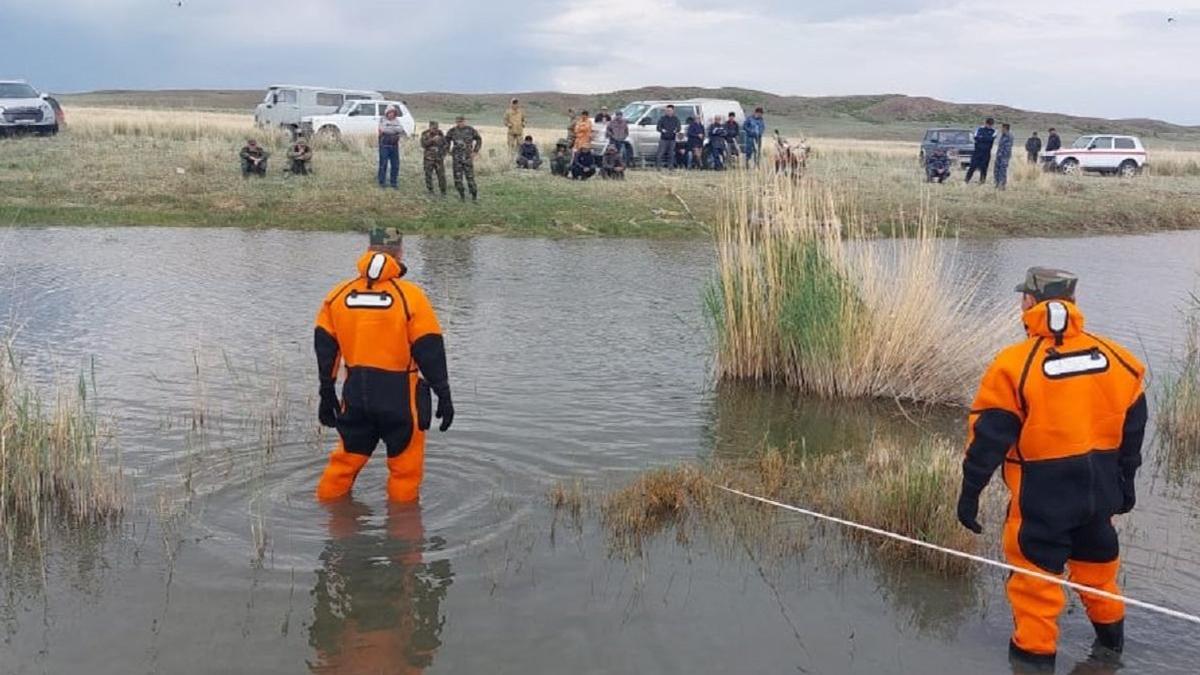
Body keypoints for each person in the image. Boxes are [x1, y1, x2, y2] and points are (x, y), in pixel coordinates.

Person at [956, 267, 1146, 672]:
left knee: (1036, 597)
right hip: (1098, 502)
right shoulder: (1120, 360)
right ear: (1073, 303)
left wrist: (969, 494)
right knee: (1100, 580)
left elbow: (989, 437)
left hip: (1041, 505)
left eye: (1023, 298)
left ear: (1029, 303)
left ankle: (1032, 664)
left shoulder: (1013, 365)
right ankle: (1111, 656)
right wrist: (1126, 485)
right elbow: (1134, 431)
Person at [314, 227, 456, 503]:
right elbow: (430, 350)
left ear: (369, 249)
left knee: (343, 466)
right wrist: (444, 394)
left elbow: (326, 349)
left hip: (356, 395)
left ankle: (328, 524)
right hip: (401, 398)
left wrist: (326, 392)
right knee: (405, 473)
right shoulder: (411, 297)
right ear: (400, 252)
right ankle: (404, 538)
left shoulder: (337, 295)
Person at [308, 499, 453, 674]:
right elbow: (427, 639)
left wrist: (324, 572)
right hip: (386, 598)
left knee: (349, 527)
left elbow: (322, 635)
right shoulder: (412, 667)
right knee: (402, 522)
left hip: (362, 599)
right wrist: (439, 575)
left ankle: (344, 502)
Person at [445, 116, 482, 201]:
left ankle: (474, 196)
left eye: (461, 121)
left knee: (470, 178)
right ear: (456, 122)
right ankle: (462, 196)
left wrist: (475, 151)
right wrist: (448, 150)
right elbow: (446, 140)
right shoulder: (452, 131)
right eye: (458, 122)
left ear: (465, 121)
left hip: (467, 158)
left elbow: (479, 139)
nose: (460, 123)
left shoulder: (471, 130)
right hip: (456, 159)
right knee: (458, 179)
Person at [378, 106, 406, 189]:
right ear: (387, 113)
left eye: (393, 112)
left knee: (395, 165)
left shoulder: (397, 120)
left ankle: (393, 182)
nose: (392, 114)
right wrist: (394, 128)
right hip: (384, 146)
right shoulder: (382, 120)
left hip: (394, 146)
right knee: (383, 164)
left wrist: (390, 127)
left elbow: (401, 129)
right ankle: (382, 182)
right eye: (390, 112)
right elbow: (383, 130)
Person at [420, 120, 448, 196]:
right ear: (430, 127)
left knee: (441, 175)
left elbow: (445, 145)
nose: (435, 130)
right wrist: (432, 140)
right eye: (433, 128)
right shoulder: (425, 134)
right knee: (428, 175)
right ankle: (430, 191)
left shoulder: (440, 133)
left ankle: (443, 191)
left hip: (439, 159)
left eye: (436, 128)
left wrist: (444, 154)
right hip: (428, 159)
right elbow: (423, 145)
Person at [965, 117, 997, 184]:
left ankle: (982, 181)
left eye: (991, 125)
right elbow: (976, 137)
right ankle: (966, 180)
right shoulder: (979, 129)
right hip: (977, 152)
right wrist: (985, 138)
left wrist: (982, 138)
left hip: (986, 153)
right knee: (972, 166)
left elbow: (991, 139)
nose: (989, 126)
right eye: (988, 124)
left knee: (984, 168)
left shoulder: (994, 131)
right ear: (985, 123)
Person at [655, 104, 681, 170]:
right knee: (660, 153)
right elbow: (658, 127)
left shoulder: (676, 119)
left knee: (671, 154)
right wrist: (662, 130)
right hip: (663, 139)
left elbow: (679, 127)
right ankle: (658, 167)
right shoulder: (662, 118)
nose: (669, 112)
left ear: (673, 111)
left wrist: (676, 130)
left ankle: (671, 167)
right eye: (667, 110)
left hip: (672, 139)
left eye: (670, 110)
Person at [994, 123, 1014, 190]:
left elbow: (1007, 148)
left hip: (1004, 156)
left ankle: (1002, 185)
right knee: (996, 170)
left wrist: (1002, 154)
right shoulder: (1002, 135)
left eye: (1002, 128)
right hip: (999, 156)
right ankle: (997, 184)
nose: (1001, 129)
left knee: (1002, 170)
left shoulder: (1009, 136)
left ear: (1005, 128)